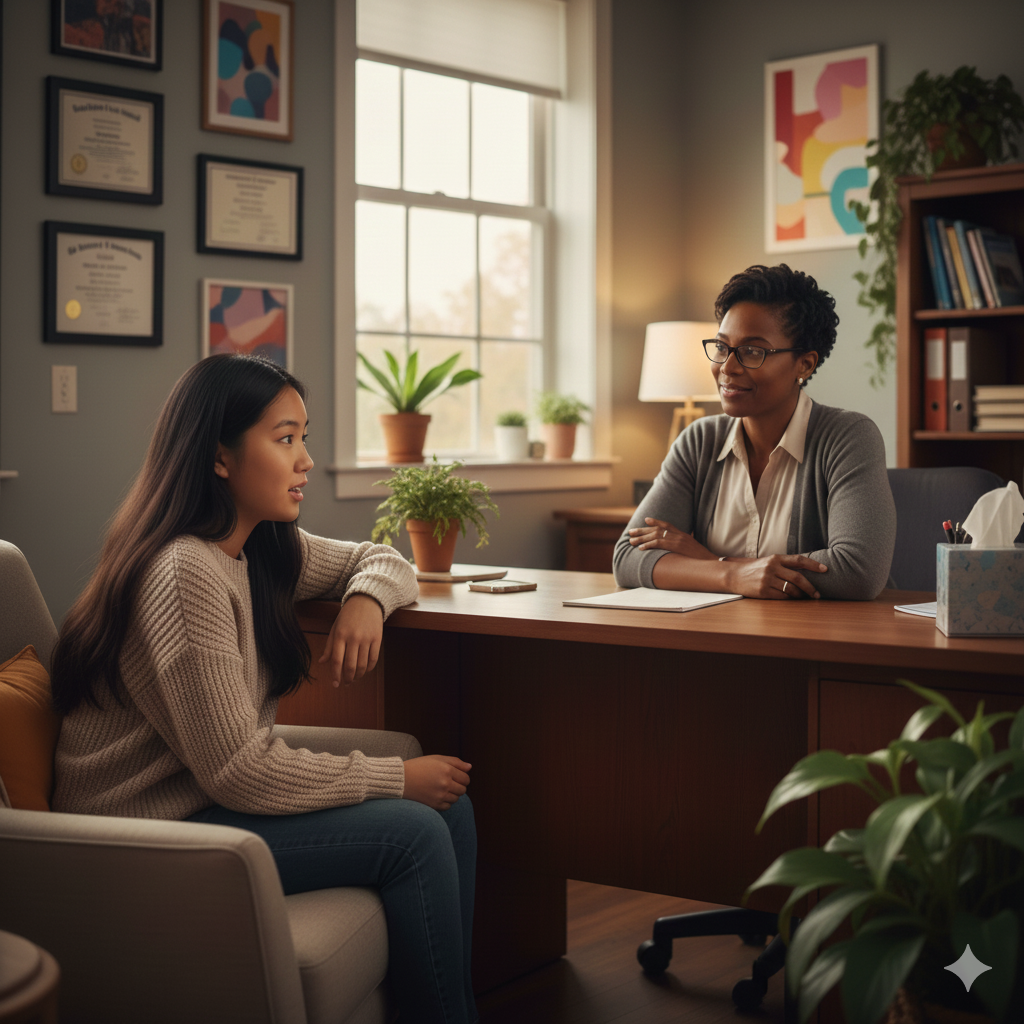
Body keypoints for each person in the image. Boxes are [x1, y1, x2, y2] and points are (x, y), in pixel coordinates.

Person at [50, 354, 478, 1024]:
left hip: (199, 802)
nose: (305, 459)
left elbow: (383, 558)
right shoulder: (184, 571)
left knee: (449, 808)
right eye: (285, 439)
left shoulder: (260, 549)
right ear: (220, 457)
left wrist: (365, 601)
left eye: (303, 436)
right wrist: (395, 778)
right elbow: (238, 773)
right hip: (140, 835)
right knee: (415, 832)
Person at [614, 264, 895, 601]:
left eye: (752, 351)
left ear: (804, 364)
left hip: (815, 643)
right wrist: (731, 574)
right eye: (721, 347)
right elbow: (628, 558)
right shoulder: (699, 441)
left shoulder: (848, 437)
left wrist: (706, 560)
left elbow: (857, 571)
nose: (727, 368)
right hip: (716, 635)